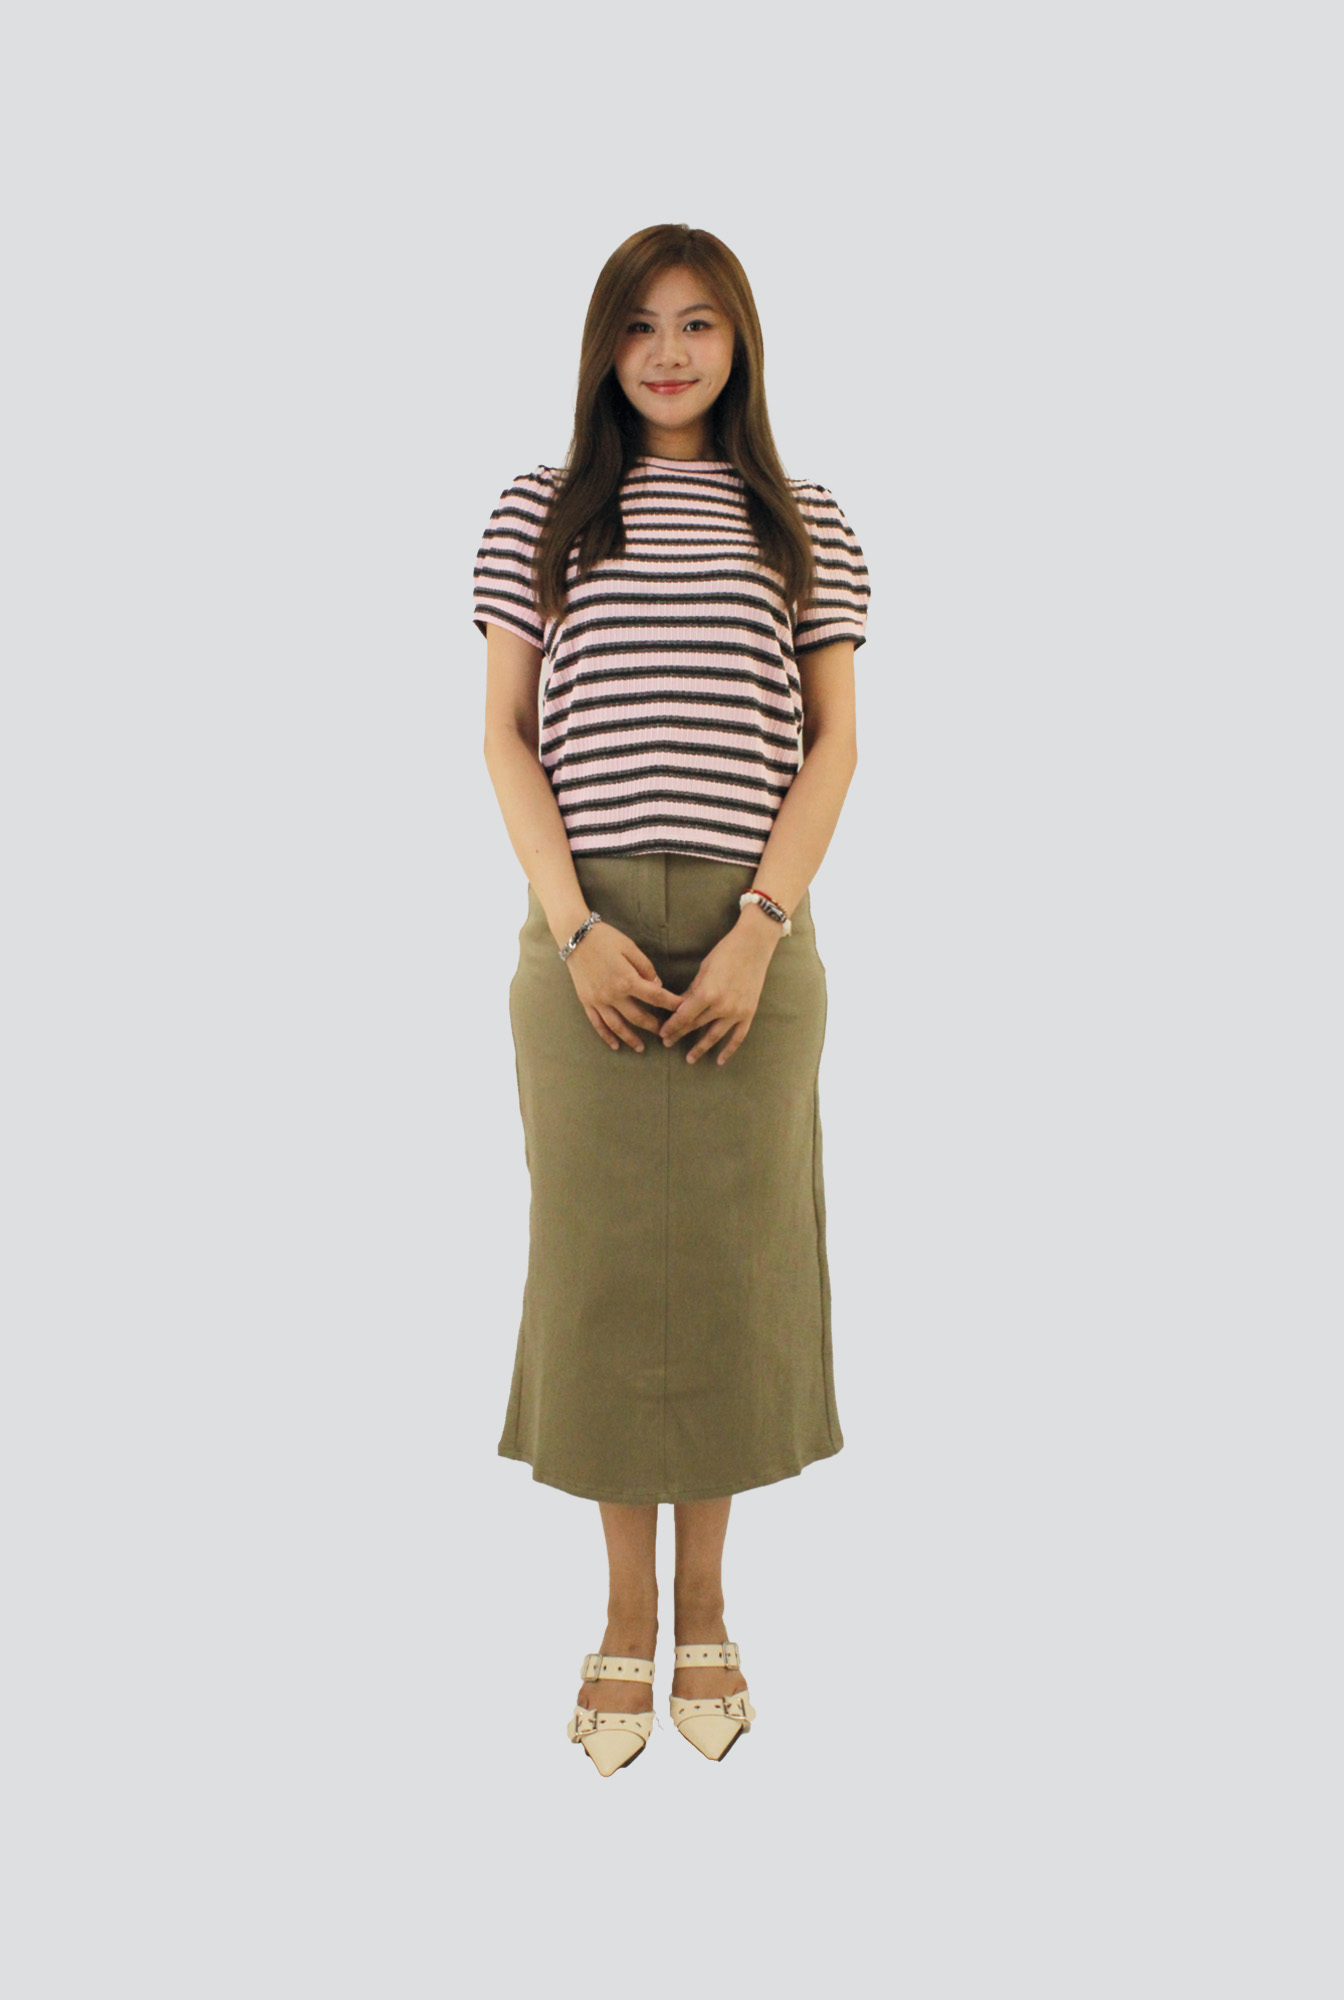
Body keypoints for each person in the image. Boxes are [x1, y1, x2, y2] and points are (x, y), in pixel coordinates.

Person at [472, 223, 871, 1773]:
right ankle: (620, 1613)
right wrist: (573, 927)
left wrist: (765, 926)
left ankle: (706, 1605)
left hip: (749, 930)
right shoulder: (540, 509)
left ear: (741, 342)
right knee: (599, 1274)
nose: (669, 352)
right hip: (585, 936)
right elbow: (507, 736)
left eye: (700, 322)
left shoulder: (807, 520)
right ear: (603, 347)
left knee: (728, 1272)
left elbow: (833, 744)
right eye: (640, 324)